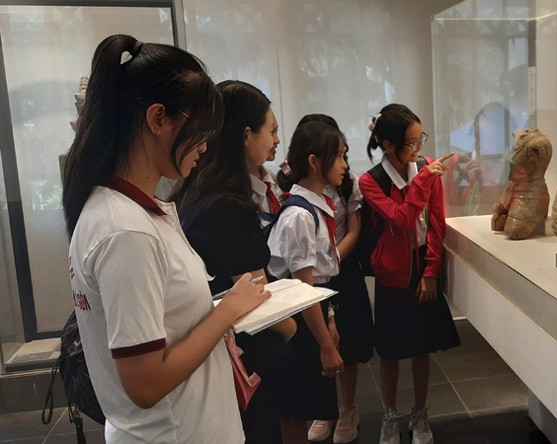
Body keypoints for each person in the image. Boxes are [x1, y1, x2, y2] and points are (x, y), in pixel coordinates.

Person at [62, 34, 269, 443]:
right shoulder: (126, 231)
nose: (206, 145)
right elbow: (146, 383)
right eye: (200, 130)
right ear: (158, 119)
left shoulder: (129, 212)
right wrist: (227, 311)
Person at [170, 80, 297, 443]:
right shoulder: (228, 205)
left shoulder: (191, 190)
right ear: (245, 135)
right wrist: (290, 328)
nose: (276, 139)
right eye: (271, 130)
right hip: (241, 356)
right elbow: (256, 296)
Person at [360, 103, 461, 444]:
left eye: (421, 140)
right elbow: (402, 218)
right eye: (412, 143)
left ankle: (420, 412)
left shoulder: (427, 170)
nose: (419, 149)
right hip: (392, 272)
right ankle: (390, 414)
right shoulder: (370, 181)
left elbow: (437, 223)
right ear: (388, 145)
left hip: (422, 263)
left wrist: (431, 272)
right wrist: (421, 180)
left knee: (423, 347)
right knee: (390, 352)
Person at [296, 115, 374, 444]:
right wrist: (322, 266)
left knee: (350, 343)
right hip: (314, 276)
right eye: (337, 153)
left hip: (343, 271)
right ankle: (323, 409)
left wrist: (333, 259)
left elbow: (355, 229)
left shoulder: (347, 183)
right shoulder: (299, 192)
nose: (342, 161)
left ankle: (347, 408)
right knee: (321, 340)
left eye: (343, 152)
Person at [267, 120, 347, 444]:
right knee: (296, 414)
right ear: (314, 162)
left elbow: (315, 279)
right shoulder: (299, 215)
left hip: (312, 310)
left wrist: (330, 316)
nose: (344, 165)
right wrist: (326, 347)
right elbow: (302, 290)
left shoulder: (313, 207)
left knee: (297, 413)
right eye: (339, 156)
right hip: (297, 320)